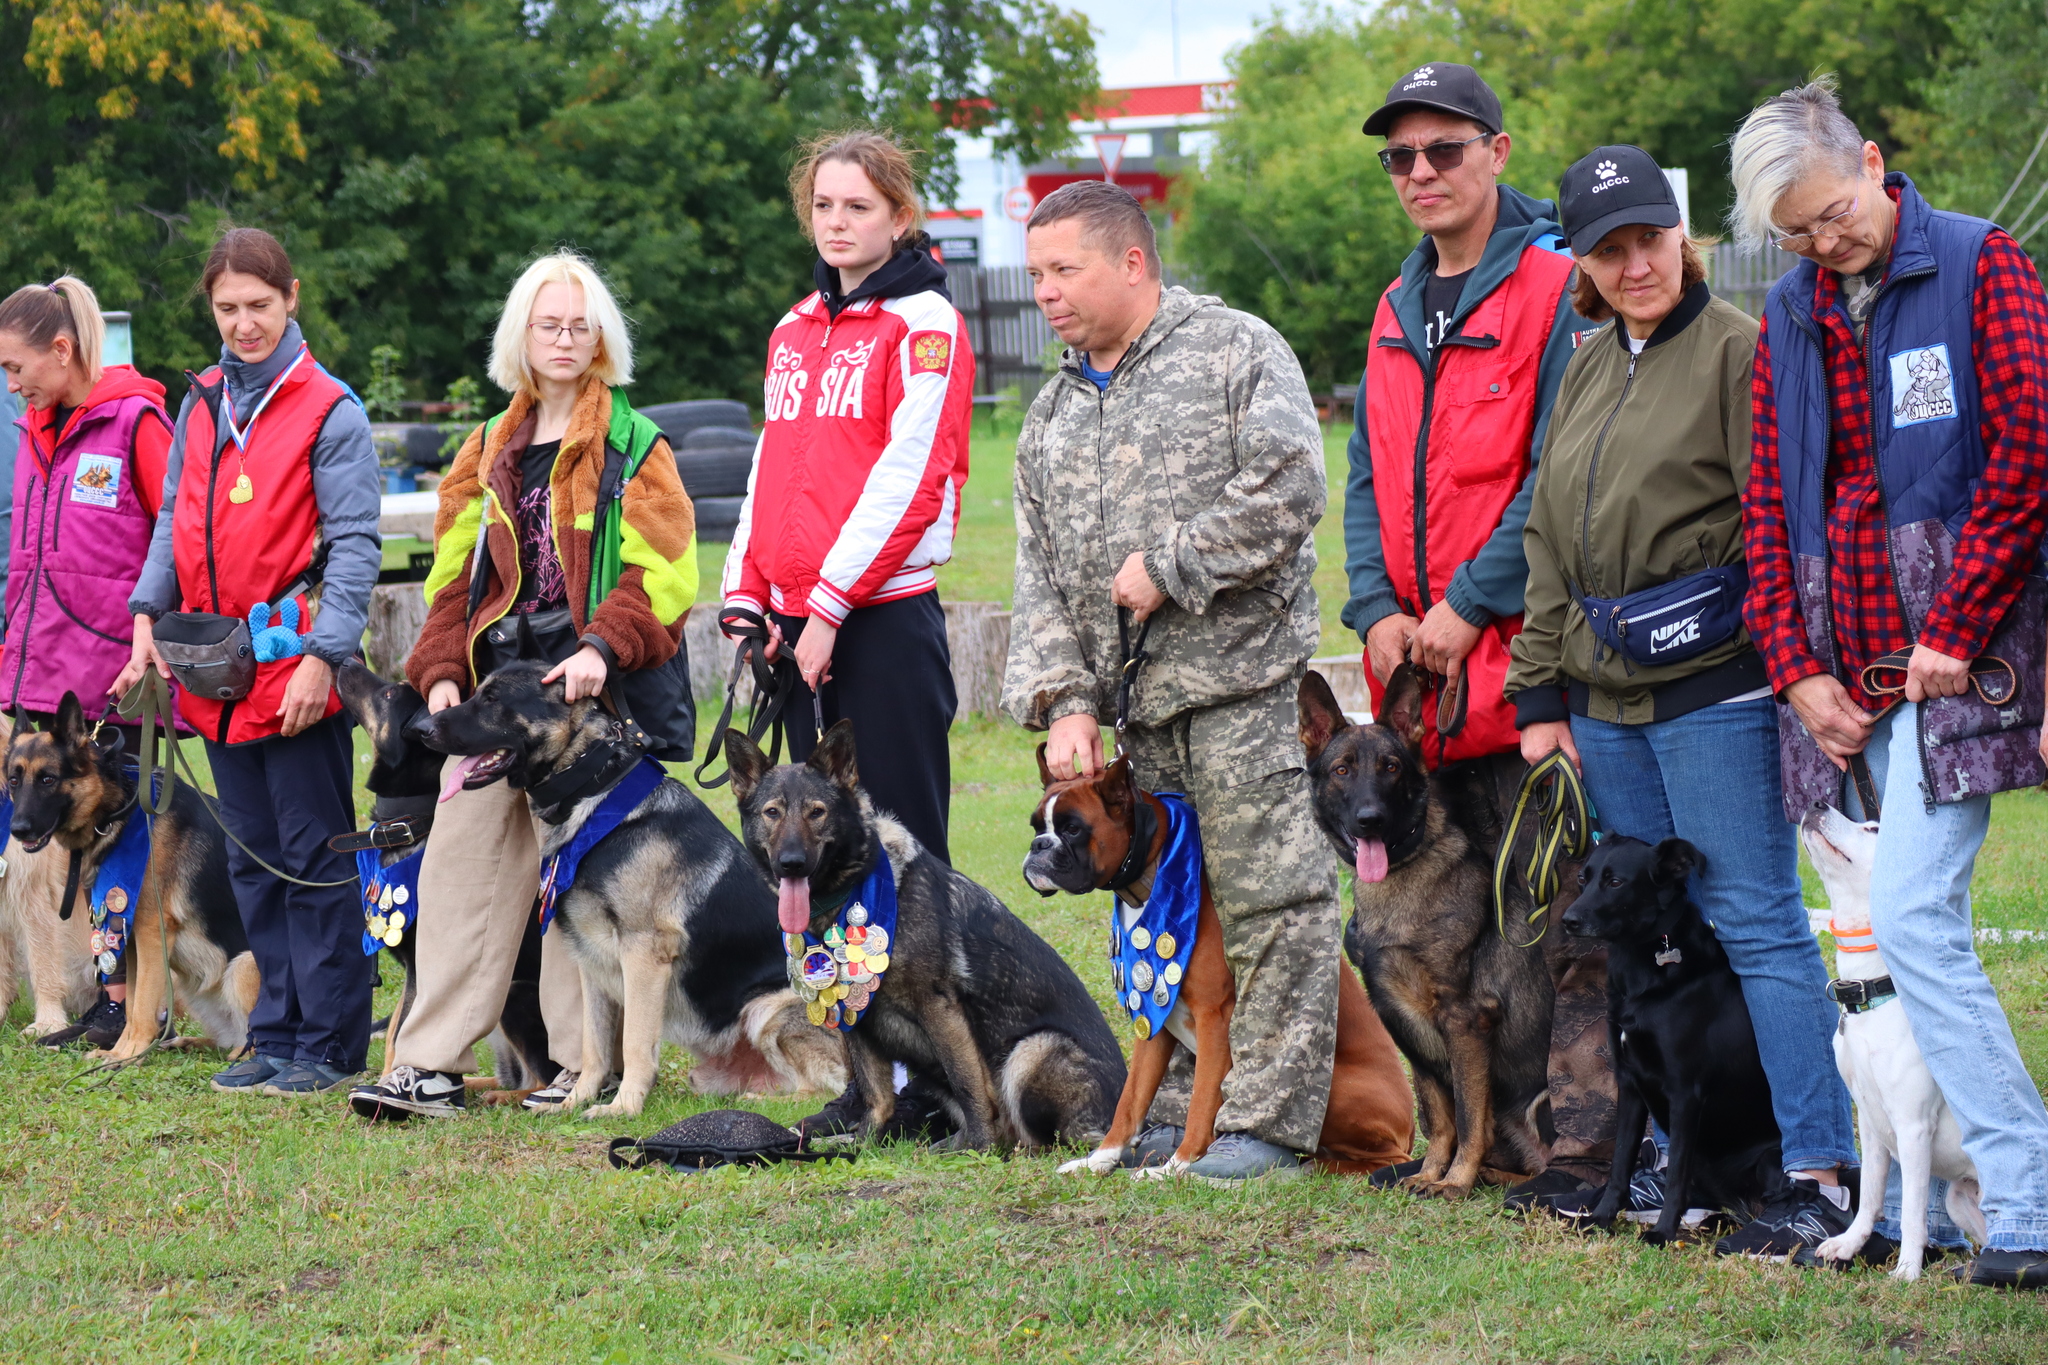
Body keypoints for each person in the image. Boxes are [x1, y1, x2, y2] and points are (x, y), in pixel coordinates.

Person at [1506, 146, 1859, 1257]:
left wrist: (1792, 660)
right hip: (1602, 702)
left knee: (1752, 917)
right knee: (1651, 934)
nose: (1633, 263)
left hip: (1710, 687)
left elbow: (1776, 519)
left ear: (1680, 236)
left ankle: (1816, 1166)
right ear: (1584, 262)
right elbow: (1547, 537)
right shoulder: (1580, 361)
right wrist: (1538, 689)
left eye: (1647, 239)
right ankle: (1682, 1158)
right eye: (1607, 249)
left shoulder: (1736, 352)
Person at [1732, 78, 2048, 1289]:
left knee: (1911, 917)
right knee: (1909, 933)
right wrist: (1795, 669)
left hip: (1959, 671)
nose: (1824, 243)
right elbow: (1767, 507)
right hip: (1838, 683)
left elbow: (2024, 459)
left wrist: (1957, 626)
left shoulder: (1982, 265)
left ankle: (2022, 1199)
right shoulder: (1788, 312)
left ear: (1868, 160)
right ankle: (1968, 1193)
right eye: (1797, 232)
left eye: (1832, 213)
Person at [1004, 179, 1336, 1184]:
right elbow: (1037, 577)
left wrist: (1174, 561)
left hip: (1239, 694)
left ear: (1133, 262)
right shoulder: (1049, 415)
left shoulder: (1233, 350)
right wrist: (1061, 700)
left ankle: (1268, 1124)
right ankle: (1186, 1111)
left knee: (1270, 905)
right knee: (1157, 921)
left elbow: (1291, 485)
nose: (1046, 294)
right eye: (1034, 276)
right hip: (1131, 725)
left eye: (1065, 271)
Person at [347, 251, 698, 1121]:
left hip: (588, 694)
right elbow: (451, 582)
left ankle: (588, 1068)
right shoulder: (486, 449)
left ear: (601, 338)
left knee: (587, 877)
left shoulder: (634, 443)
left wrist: (602, 647)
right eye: (551, 323)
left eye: (582, 325)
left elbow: (666, 569)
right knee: (460, 858)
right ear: (523, 337)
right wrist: (436, 674)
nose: (567, 338)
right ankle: (425, 1064)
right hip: (499, 691)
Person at [117, 227, 384, 1096]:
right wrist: (147, 618)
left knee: (311, 857)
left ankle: (331, 1042)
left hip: (295, 673)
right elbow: (171, 523)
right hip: (213, 673)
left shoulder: (329, 409)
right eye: (228, 308)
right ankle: (274, 1032)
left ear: (292, 298)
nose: (243, 324)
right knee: (250, 857)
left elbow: (353, 548)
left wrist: (324, 658)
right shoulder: (200, 404)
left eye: (259, 306)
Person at [720, 130, 973, 864]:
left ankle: (924, 983)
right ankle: (839, 985)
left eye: (858, 206)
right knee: (820, 847)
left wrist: (829, 607)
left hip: (882, 619)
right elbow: (770, 469)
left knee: (904, 845)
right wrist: (749, 598)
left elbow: (912, 475)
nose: (836, 221)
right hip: (797, 626)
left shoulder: (926, 323)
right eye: (823, 204)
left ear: (899, 218)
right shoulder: (791, 328)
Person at [1345, 62, 1594, 777]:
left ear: (1498, 151)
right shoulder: (1394, 303)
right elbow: (1366, 473)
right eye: (1400, 157)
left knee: (1544, 890)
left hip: (1530, 683)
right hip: (1415, 691)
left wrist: (1469, 603)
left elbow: (1565, 477)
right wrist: (1372, 610)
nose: (1420, 171)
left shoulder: (1562, 287)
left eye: (1445, 150)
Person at [0, 275, 176, 1049]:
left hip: (114, 682)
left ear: (61, 349)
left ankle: (138, 1001)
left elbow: (175, 536)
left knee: (126, 844)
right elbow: (29, 565)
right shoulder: (34, 431)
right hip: (39, 675)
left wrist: (155, 639)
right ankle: (106, 994)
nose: (10, 381)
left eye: (15, 366)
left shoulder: (136, 422)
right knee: (70, 846)